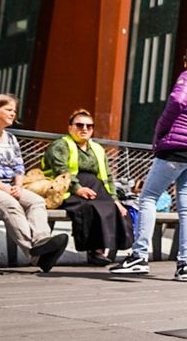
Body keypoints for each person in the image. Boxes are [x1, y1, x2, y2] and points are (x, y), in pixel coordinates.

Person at [111, 43, 187, 282]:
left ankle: (139, 256)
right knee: (186, 206)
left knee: (148, 197)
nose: (184, 63)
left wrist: (160, 131)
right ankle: (185, 265)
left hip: (177, 150)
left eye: (186, 58)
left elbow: (176, 101)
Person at [0, 94, 69, 272]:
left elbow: (18, 166)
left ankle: (42, 242)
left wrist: (18, 185)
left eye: (14, 111)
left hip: (6, 187)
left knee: (36, 201)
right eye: (8, 109)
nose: (13, 114)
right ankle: (35, 255)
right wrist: (4, 188)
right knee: (10, 204)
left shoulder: (10, 138)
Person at [41, 109, 131, 266]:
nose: (84, 129)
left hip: (95, 187)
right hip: (65, 189)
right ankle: (95, 251)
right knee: (91, 208)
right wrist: (77, 189)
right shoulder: (60, 145)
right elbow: (60, 170)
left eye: (89, 126)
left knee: (117, 208)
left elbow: (107, 177)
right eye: (79, 125)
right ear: (70, 128)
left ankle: (112, 250)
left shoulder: (97, 149)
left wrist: (115, 200)